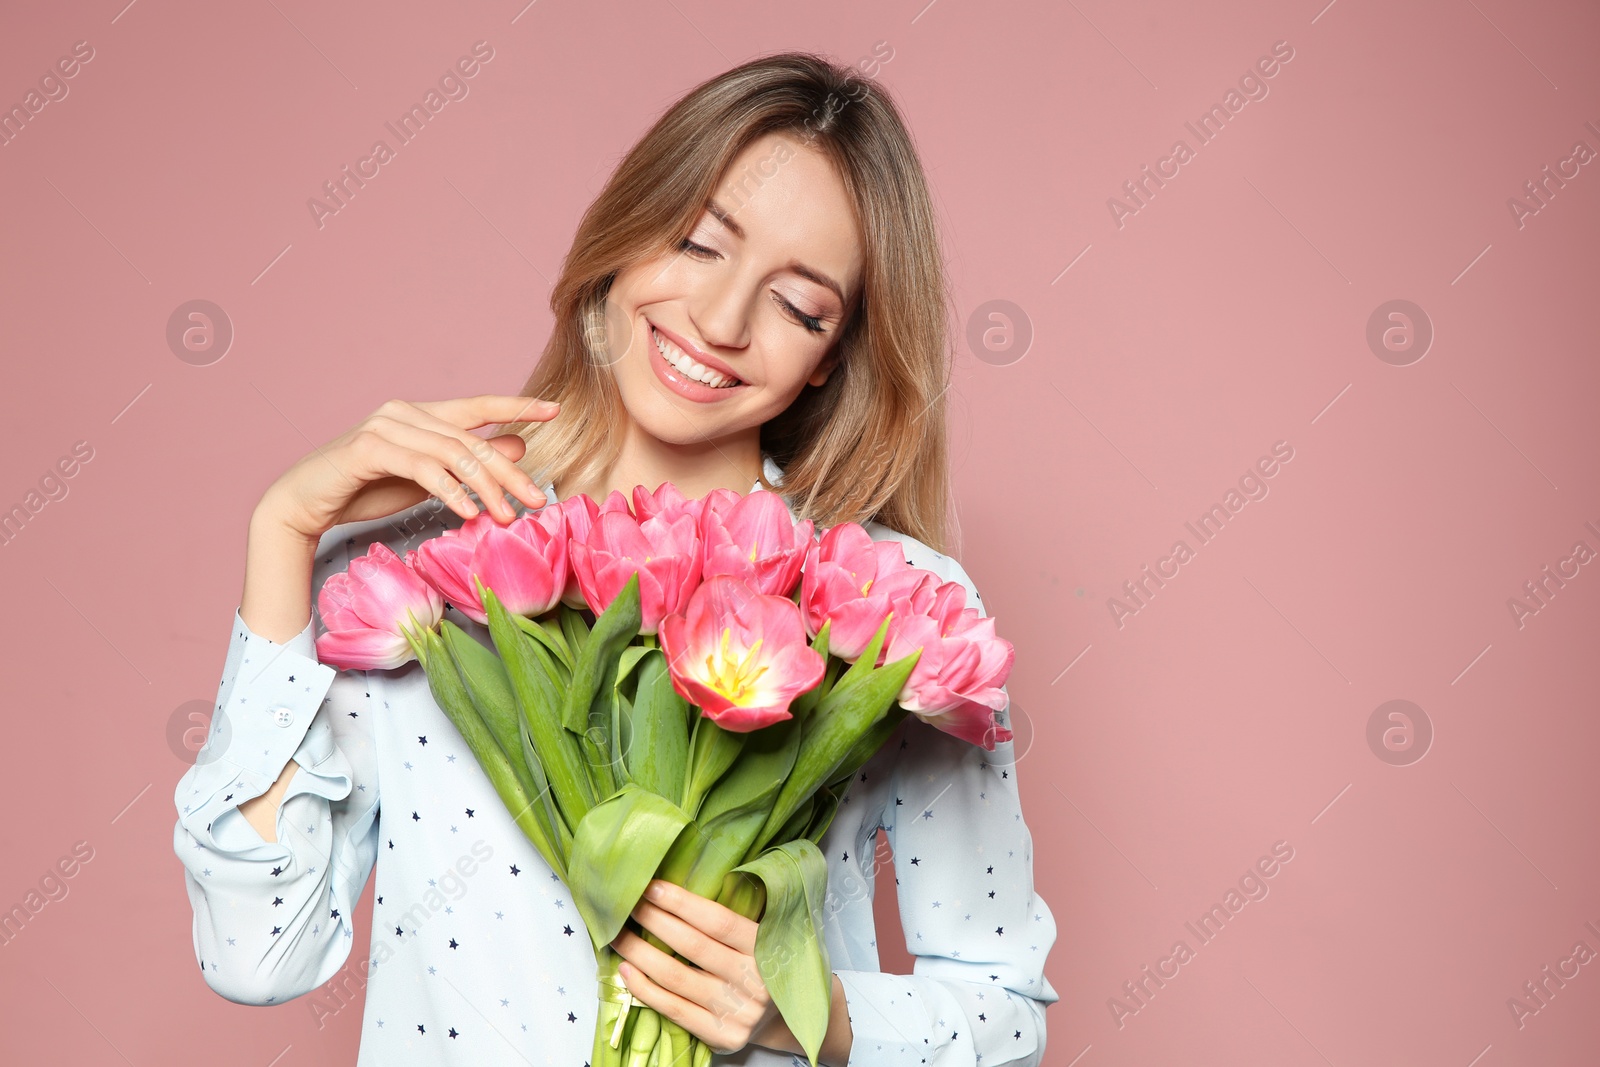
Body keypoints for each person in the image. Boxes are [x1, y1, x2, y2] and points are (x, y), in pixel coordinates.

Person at [172, 51, 1059, 1066]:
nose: (720, 323)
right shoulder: (415, 575)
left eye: (798, 305)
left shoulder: (894, 609)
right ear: (627, 232)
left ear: (833, 357)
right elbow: (257, 954)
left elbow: (1007, 1009)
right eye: (697, 244)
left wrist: (815, 1012)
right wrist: (282, 529)